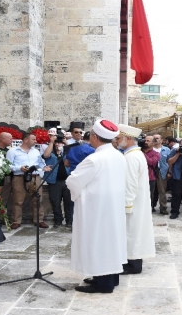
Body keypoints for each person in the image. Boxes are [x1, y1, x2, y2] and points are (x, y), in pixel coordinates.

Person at [67, 119, 127, 294]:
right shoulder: (118, 155)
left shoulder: (94, 159)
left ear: (94, 136)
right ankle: (108, 277)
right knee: (111, 242)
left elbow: (73, 180)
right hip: (113, 206)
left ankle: (103, 284)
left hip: (97, 209)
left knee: (98, 242)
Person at [115, 125, 156, 274]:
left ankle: (132, 265)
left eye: (119, 138)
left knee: (131, 234)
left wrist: (126, 205)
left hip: (132, 204)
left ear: (129, 138)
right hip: (136, 202)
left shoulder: (131, 157)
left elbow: (129, 183)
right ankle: (131, 262)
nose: (117, 141)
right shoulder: (134, 154)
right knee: (133, 234)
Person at [6, 133, 49, 229]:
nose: (35, 141)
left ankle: (39, 220)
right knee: (18, 200)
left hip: (35, 177)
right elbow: (8, 166)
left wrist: (44, 167)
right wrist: (19, 168)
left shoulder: (36, 151)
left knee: (38, 199)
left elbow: (40, 163)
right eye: (33, 139)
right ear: (26, 140)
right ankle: (16, 221)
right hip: (20, 177)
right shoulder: (13, 151)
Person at [42, 133, 72, 227]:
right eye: (57, 143)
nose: (58, 144)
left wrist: (66, 143)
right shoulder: (51, 154)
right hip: (54, 181)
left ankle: (69, 221)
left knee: (69, 202)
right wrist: (51, 142)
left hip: (68, 181)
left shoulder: (66, 153)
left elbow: (74, 154)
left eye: (59, 142)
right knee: (55, 202)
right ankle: (58, 220)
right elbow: (46, 155)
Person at [151, 134, 171, 215]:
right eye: (154, 138)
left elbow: (169, 162)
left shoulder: (166, 150)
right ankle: (151, 206)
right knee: (151, 190)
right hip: (152, 171)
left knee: (162, 191)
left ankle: (163, 208)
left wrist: (169, 172)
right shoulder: (149, 149)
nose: (156, 139)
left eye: (157, 138)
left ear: (161, 140)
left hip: (162, 171)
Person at [141, 135, 160, 211]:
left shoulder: (156, 154)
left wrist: (141, 153)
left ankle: (148, 210)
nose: (145, 142)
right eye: (145, 140)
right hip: (139, 176)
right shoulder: (138, 150)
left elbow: (151, 162)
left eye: (148, 141)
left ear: (153, 143)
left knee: (149, 195)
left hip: (150, 177)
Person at [0, 132, 14, 214]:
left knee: (4, 199)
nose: (12, 140)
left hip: (6, 179)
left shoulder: (9, 151)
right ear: (3, 139)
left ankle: (2, 217)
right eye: (10, 139)